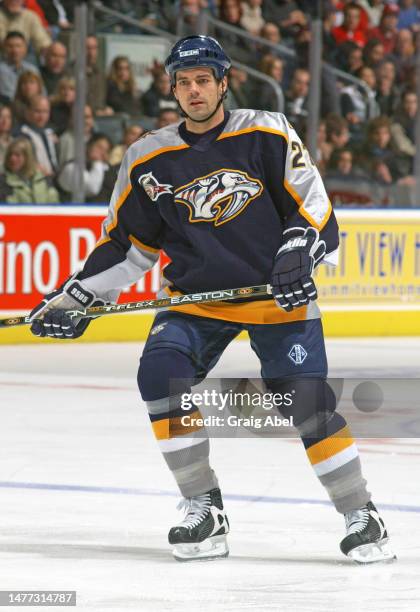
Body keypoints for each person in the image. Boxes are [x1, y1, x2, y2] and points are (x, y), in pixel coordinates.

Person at [28, 35, 395, 565]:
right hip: (195, 299)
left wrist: (298, 251)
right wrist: (78, 296)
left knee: (306, 402)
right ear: (173, 89)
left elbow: (312, 203)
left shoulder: (266, 133)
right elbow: (127, 246)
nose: (194, 90)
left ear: (224, 83)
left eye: (204, 79)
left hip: (274, 294)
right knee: (159, 376)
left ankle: (362, 513)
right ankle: (204, 508)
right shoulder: (147, 158)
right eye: (184, 81)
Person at [0, 136, 59, 203]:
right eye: (10, 155)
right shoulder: (3, 181)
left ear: (28, 157)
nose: (12, 159)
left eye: (17, 155)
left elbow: (54, 205)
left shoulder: (43, 178)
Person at [0, 30, 40, 101]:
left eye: (18, 46)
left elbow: (42, 93)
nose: (15, 50)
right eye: (10, 46)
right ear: (4, 48)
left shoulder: (33, 70)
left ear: (25, 48)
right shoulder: (1, 70)